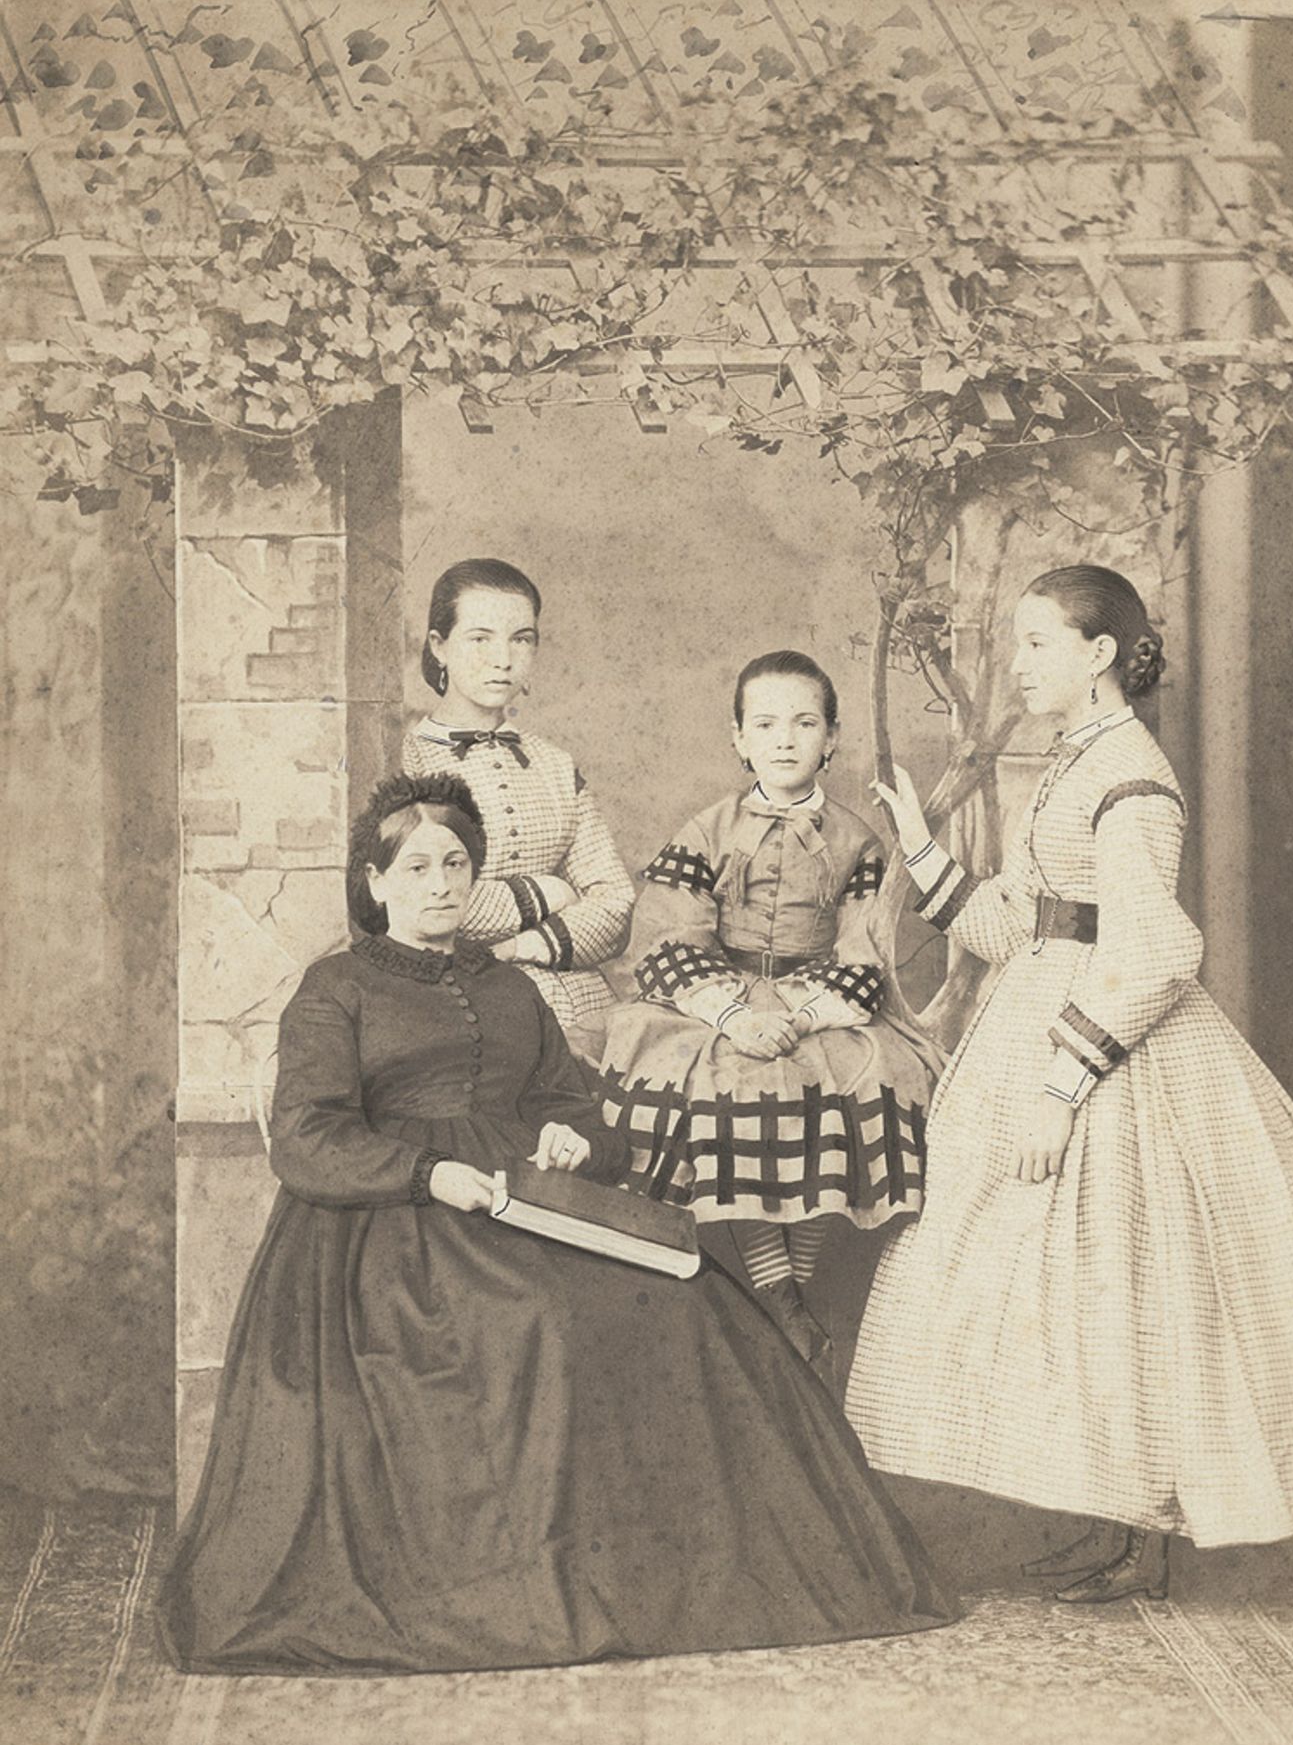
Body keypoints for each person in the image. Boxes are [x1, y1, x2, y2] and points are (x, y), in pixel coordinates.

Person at [159, 771, 955, 1674]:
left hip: (524, 1203)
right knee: (536, 1326)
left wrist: (574, 1142)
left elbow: (575, 1106)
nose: (439, 885)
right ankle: (527, 1586)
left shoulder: (505, 987)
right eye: (415, 867)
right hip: (386, 1236)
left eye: (455, 863)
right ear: (374, 883)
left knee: (686, 1303)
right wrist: (428, 1172)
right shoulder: (335, 987)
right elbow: (307, 1137)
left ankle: (660, 1582)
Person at [847, 564, 1293, 1602]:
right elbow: (1012, 925)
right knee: (1072, 1290)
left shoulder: (1134, 775)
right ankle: (1109, 1518)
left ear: (1100, 655)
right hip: (1038, 1014)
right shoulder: (1074, 761)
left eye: (1038, 643)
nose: (1018, 663)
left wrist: (1064, 1087)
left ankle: (1141, 1531)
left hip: (1104, 1048)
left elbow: (1154, 950)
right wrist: (920, 844)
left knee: (1130, 1285)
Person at [598, 652, 941, 1385]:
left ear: (832, 738)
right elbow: (672, 931)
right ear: (738, 739)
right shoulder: (706, 828)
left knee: (851, 1081)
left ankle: (795, 1288)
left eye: (804, 722)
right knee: (723, 1086)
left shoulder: (857, 842)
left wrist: (809, 1014)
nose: (784, 740)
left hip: (816, 1000)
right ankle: (778, 1295)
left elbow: (865, 946)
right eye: (765, 724)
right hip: (717, 999)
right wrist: (729, 1012)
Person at [403, 557, 633, 1060]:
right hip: (451, 1000)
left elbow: (616, 902)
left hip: (579, 997)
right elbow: (436, 901)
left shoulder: (554, 763)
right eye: (480, 638)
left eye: (521, 639)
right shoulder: (410, 760)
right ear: (439, 647)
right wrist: (553, 891)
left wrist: (518, 946)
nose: (503, 659)